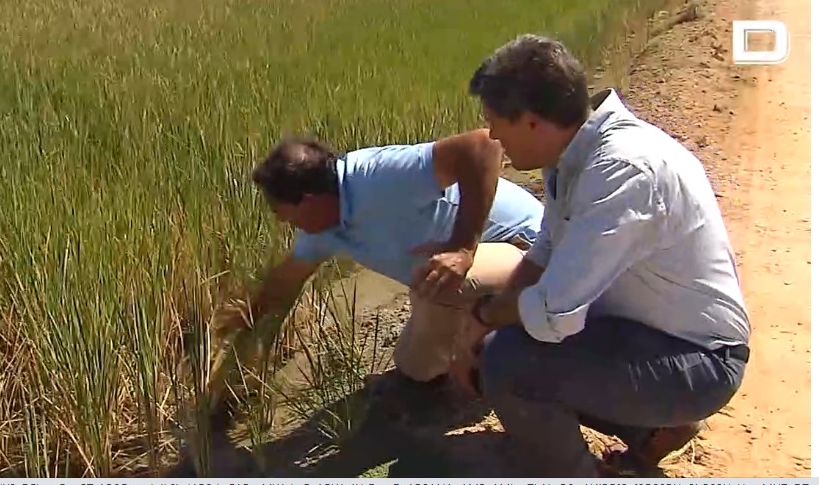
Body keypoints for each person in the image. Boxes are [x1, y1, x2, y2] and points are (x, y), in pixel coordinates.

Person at [455, 34, 751, 477]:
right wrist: (482, 322)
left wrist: (483, 325)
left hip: (700, 361)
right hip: (650, 337)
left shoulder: (621, 171)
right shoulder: (571, 157)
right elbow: (543, 255)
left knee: (509, 363)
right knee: (510, 345)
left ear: (533, 122)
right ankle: (651, 431)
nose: (493, 136)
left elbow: (555, 313)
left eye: (497, 122)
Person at [224, 129, 544, 408]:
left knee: (434, 283)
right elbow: (285, 281)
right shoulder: (322, 227)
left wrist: (463, 247)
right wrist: (246, 319)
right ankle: (476, 350)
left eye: (281, 210)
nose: (281, 220)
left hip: (531, 251)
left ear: (308, 200)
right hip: (479, 277)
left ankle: (502, 352)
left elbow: (483, 145)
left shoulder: (376, 177)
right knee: (414, 370)